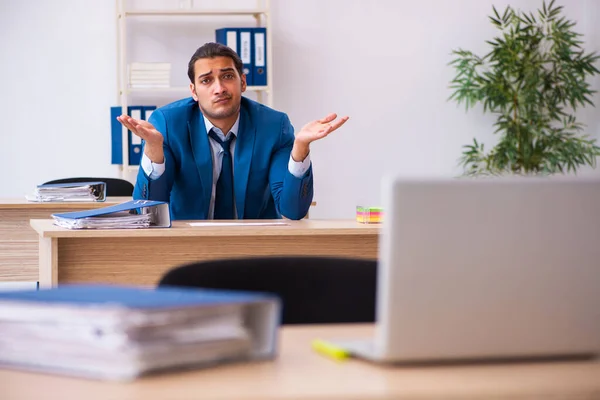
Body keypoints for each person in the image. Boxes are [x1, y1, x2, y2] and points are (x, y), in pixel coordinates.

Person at [117, 42, 348, 220]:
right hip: (187, 245)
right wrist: (154, 150)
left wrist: (300, 147)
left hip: (255, 249)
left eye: (227, 76)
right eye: (206, 81)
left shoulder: (274, 126)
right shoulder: (168, 123)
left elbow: (293, 210)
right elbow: (146, 213)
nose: (219, 88)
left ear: (243, 82)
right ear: (194, 91)